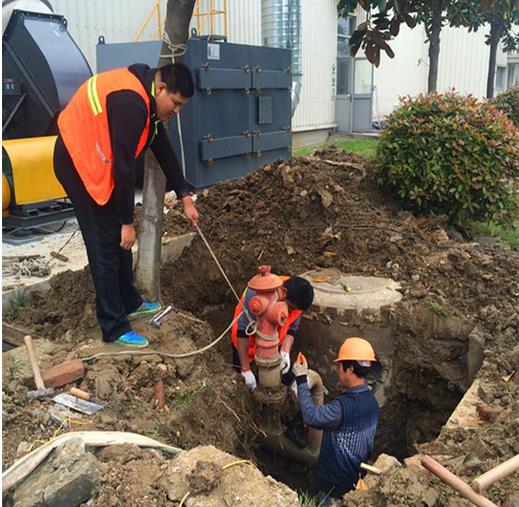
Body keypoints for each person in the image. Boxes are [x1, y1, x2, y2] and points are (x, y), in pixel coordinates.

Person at [54, 63, 199, 348]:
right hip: (78, 161)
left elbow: (163, 149)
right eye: (176, 103)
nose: (177, 111)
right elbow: (123, 168)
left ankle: (129, 302)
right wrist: (126, 222)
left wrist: (184, 196)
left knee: (117, 242)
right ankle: (114, 326)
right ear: (161, 89)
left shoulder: (146, 99)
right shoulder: (132, 104)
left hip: (97, 161)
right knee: (104, 244)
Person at [292, 337, 381, 502]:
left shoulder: (343, 408)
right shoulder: (372, 402)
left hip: (334, 488)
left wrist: (301, 379)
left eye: (340, 366)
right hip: (356, 480)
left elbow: (311, 416)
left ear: (350, 369)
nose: (338, 370)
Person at [231, 275, 314, 389]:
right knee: (241, 382)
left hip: (274, 343)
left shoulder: (297, 298)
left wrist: (285, 351)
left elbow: (292, 329)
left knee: (283, 376)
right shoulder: (256, 296)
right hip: (246, 341)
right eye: (290, 308)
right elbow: (242, 332)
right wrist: (245, 370)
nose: (289, 312)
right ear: (283, 292)